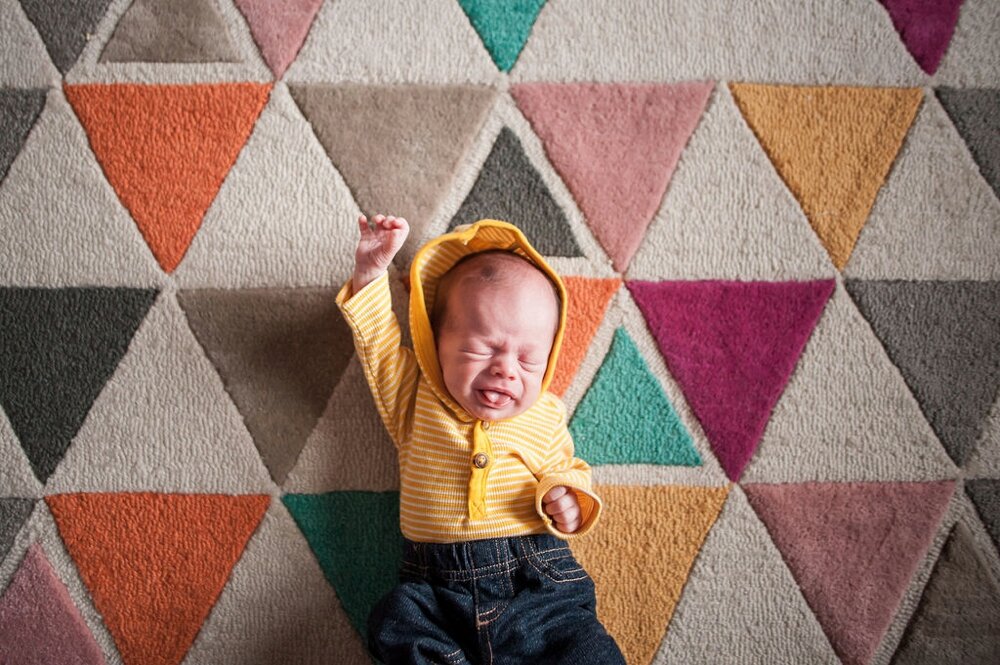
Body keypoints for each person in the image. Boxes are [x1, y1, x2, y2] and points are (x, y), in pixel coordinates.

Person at [337, 213, 625, 664]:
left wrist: (569, 499)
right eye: (483, 348)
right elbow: (378, 343)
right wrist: (371, 273)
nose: (506, 369)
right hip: (433, 590)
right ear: (436, 343)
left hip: (534, 582)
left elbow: (566, 467)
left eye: (529, 360)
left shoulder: (545, 413)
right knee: (394, 623)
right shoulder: (414, 396)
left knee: (583, 650)